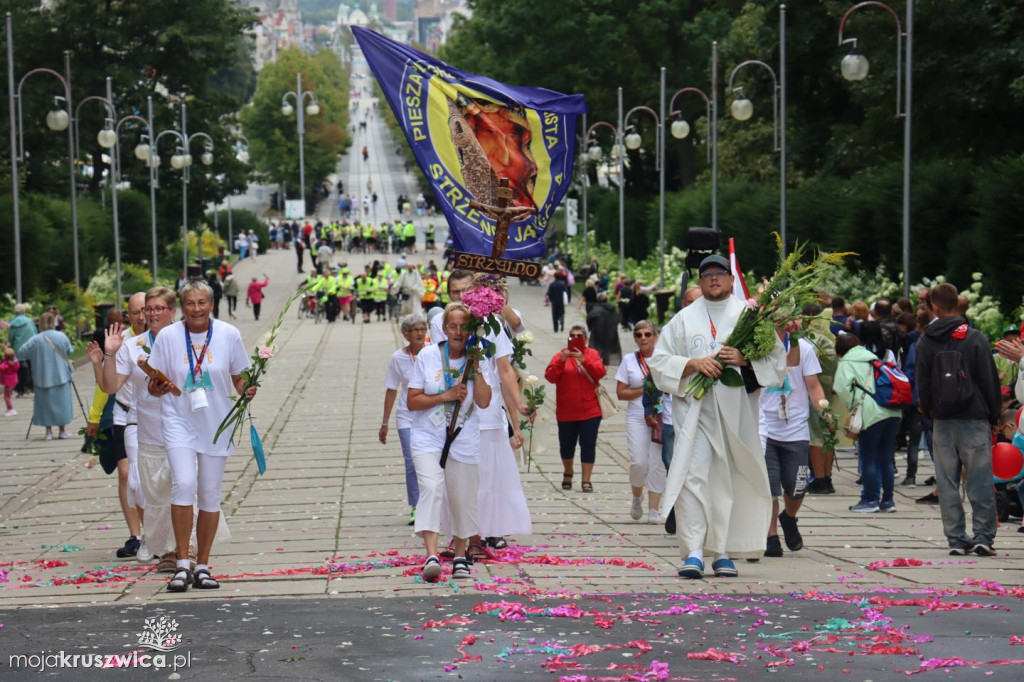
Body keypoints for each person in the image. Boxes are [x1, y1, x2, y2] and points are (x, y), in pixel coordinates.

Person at [648, 254, 787, 579]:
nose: (714, 278)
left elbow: (777, 364)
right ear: (700, 280)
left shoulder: (750, 318)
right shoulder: (682, 320)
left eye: (720, 273)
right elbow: (659, 363)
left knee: (728, 483)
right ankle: (694, 551)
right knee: (693, 478)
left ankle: (723, 551)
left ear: (729, 279)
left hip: (736, 416)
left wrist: (744, 358)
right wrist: (693, 364)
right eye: (707, 273)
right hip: (694, 414)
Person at [146, 279, 256, 592]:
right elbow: (153, 383)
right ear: (182, 306)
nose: (196, 309)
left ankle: (204, 565)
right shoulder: (168, 337)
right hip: (178, 419)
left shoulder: (228, 334)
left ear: (211, 304)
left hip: (216, 422)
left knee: (209, 492)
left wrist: (246, 389)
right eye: (190, 303)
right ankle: (183, 564)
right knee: (183, 483)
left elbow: (239, 378)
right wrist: (158, 385)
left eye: (202, 303)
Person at [406, 303, 492, 581]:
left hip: (463, 436)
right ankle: (431, 555)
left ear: (471, 329)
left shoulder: (478, 357)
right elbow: (412, 401)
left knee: (462, 498)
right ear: (444, 329)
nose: (457, 331)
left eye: (463, 326)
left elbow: (484, 401)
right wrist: (446, 395)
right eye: (452, 326)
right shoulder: (428, 356)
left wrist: (476, 366)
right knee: (431, 487)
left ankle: (459, 557)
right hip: (427, 435)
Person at [922, 283, 1001, 556]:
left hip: (942, 420)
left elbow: (922, 382)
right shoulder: (974, 337)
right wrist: (994, 413)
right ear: (958, 303)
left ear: (933, 306)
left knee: (947, 481)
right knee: (979, 479)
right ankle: (983, 536)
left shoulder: (926, 340)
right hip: (973, 417)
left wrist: (931, 411)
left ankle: (956, 538)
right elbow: (988, 379)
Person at [86, 294, 148, 560]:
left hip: (156, 419)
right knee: (127, 475)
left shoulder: (165, 338)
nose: (142, 316)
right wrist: (95, 415)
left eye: (146, 310)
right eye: (135, 312)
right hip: (124, 417)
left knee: (151, 480)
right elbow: (107, 385)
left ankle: (157, 532)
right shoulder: (120, 342)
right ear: (128, 315)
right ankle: (136, 535)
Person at [758, 328, 828, 557]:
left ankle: (788, 518)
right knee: (769, 487)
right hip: (765, 427)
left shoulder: (803, 348)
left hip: (796, 429)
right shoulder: (758, 346)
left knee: (797, 486)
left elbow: (813, 385)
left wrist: (825, 411)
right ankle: (770, 536)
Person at [833, 334, 901, 513]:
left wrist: (854, 407)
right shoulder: (875, 359)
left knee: (868, 458)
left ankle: (870, 500)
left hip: (870, 413)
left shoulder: (847, 362)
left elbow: (841, 388)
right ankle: (888, 501)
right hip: (893, 411)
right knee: (886, 458)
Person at [616, 320, 667, 523]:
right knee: (639, 462)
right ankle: (637, 495)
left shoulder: (664, 359)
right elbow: (620, 393)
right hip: (637, 416)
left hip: (661, 416)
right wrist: (646, 389)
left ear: (655, 337)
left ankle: (654, 509)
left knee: (657, 463)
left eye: (647, 334)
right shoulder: (629, 360)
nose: (643, 338)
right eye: (639, 335)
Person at [381, 314, 429, 526]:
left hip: (430, 414)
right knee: (411, 461)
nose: (419, 333)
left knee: (432, 461)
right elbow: (391, 389)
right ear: (405, 334)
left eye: (422, 329)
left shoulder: (433, 353)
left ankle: (434, 503)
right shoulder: (397, 358)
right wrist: (384, 423)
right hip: (407, 415)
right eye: (415, 330)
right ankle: (416, 505)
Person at [545, 325, 606, 492]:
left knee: (588, 444)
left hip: (591, 410)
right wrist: (562, 361)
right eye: (572, 336)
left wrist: (584, 361)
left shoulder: (592, 354)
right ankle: (568, 471)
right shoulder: (560, 355)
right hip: (566, 411)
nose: (575, 338)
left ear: (585, 339)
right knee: (566, 445)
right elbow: (550, 377)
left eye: (579, 336)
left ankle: (586, 480)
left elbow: (600, 373)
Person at [16, 311, 74, 441]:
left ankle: (48, 432)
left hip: (42, 376)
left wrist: (33, 357)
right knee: (62, 404)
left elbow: (22, 352)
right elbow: (69, 351)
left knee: (45, 405)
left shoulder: (36, 339)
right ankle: (62, 430)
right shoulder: (61, 336)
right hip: (61, 375)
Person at [7, 303, 37, 397]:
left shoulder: (12, 323)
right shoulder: (30, 321)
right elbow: (35, 333)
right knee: (31, 368)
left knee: (19, 370)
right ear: (24, 311)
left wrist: (11, 345)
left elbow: (11, 337)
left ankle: (20, 390)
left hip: (18, 349)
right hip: (31, 348)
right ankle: (31, 388)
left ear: (15, 312)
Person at [586, 293, 622, 366]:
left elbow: (589, 319)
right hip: (610, 332)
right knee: (607, 350)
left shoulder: (595, 309)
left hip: (597, 332)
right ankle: (604, 365)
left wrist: (590, 327)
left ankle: (597, 365)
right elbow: (618, 319)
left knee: (596, 349)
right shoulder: (612, 309)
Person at [1, 346, 20, 416]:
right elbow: (17, 366)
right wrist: (6, 348)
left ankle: (11, 409)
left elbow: (2, 368)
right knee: (9, 395)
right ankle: (9, 409)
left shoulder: (6, 363)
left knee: (6, 397)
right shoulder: (15, 361)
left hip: (8, 382)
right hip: (14, 380)